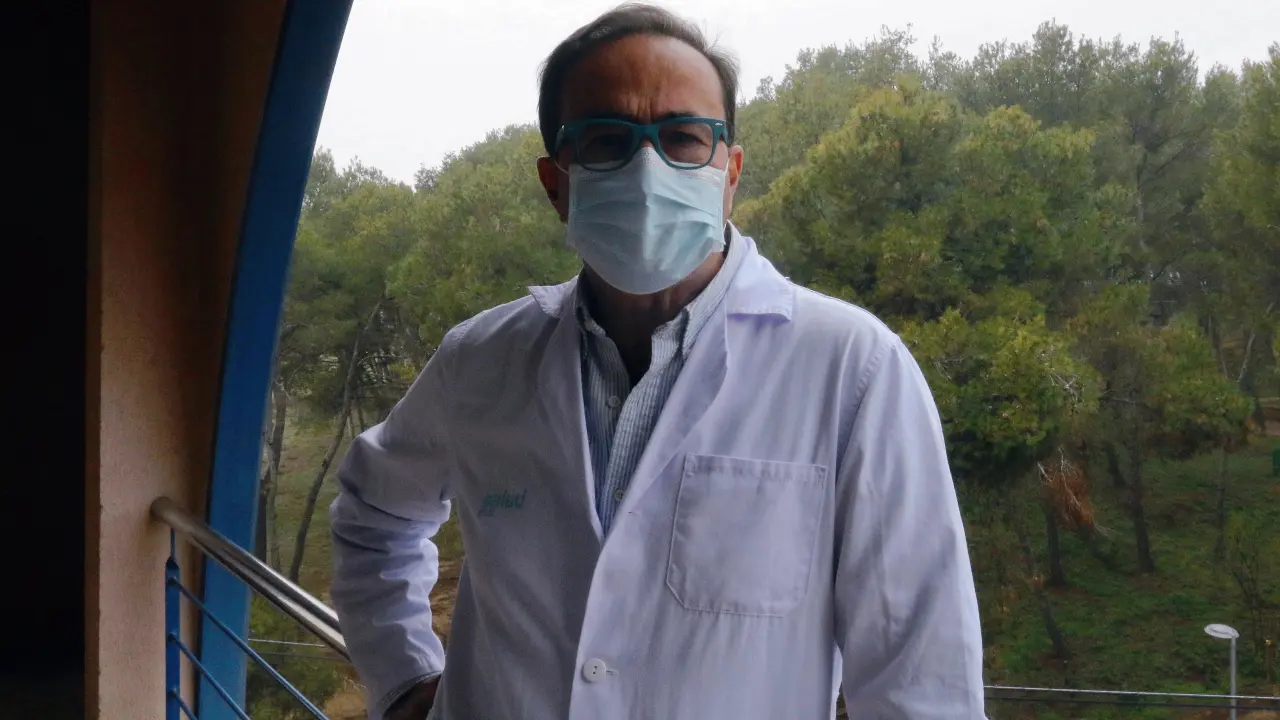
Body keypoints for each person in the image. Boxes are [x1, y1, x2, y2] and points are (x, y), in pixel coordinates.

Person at [329, 4, 986, 719]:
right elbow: (374, 516)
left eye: (683, 137)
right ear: (556, 184)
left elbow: (920, 679)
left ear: (730, 173)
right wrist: (404, 680)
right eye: (607, 140)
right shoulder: (481, 362)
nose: (649, 169)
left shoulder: (853, 370)